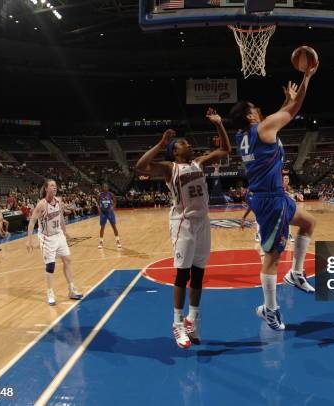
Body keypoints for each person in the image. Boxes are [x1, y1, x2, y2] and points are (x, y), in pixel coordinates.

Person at [228, 62, 318, 331]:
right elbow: (294, 110)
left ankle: (296, 273)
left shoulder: (243, 135)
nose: (258, 109)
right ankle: (270, 310)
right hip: (270, 200)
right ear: (249, 115)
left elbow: (277, 119)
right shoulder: (261, 129)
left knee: (309, 222)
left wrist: (284, 103)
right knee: (272, 256)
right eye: (254, 107)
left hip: (272, 195)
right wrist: (306, 78)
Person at [135, 108, 230, 349]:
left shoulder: (199, 162)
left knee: (199, 274)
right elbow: (140, 166)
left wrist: (219, 124)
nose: (187, 144)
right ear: (174, 152)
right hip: (183, 224)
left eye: (185, 142)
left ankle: (193, 319)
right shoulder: (170, 168)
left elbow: (226, 150)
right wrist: (161, 142)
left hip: (203, 222)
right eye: (181, 143)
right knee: (183, 274)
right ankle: (177, 322)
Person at [26, 179, 83, 306]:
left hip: (59, 235)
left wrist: (65, 231)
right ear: (46, 188)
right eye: (52, 186)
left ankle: (71, 290)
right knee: (50, 266)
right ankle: (50, 293)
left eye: (55, 186)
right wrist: (29, 240)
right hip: (47, 238)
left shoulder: (59, 200)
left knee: (67, 260)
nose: (54, 187)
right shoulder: (42, 204)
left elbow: (61, 217)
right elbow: (32, 221)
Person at [97, 184, 122, 249]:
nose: (105, 188)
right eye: (104, 187)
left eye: (106, 187)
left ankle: (118, 241)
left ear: (108, 188)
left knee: (114, 226)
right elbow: (98, 203)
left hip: (110, 213)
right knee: (102, 227)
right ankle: (101, 242)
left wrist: (113, 207)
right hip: (103, 213)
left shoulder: (111, 194)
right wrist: (99, 209)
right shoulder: (100, 195)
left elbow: (115, 202)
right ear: (102, 188)